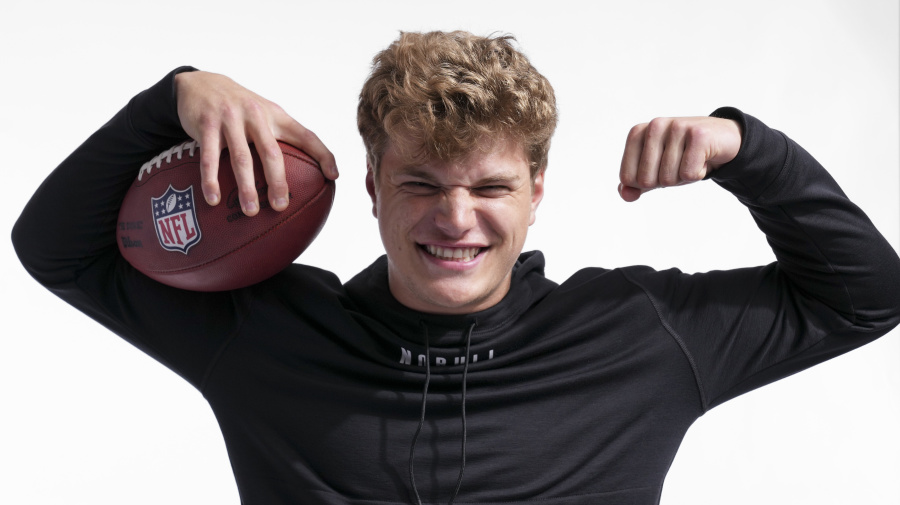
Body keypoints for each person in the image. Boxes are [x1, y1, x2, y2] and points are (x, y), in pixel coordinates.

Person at [12, 30, 900, 505]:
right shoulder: (265, 331)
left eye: (490, 186)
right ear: (369, 186)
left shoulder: (637, 335)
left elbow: (867, 295)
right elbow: (53, 245)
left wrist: (749, 150)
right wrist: (174, 95)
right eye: (421, 182)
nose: (455, 216)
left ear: (538, 190)